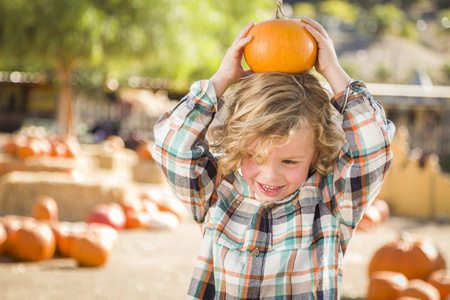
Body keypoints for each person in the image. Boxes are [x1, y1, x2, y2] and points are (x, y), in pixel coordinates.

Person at [152, 17, 395, 299]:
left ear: (316, 151)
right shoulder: (217, 196)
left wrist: (332, 71)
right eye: (254, 156)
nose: (269, 175)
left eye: (289, 161)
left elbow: (374, 147)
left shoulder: (331, 204)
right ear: (237, 145)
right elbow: (171, 146)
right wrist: (221, 81)